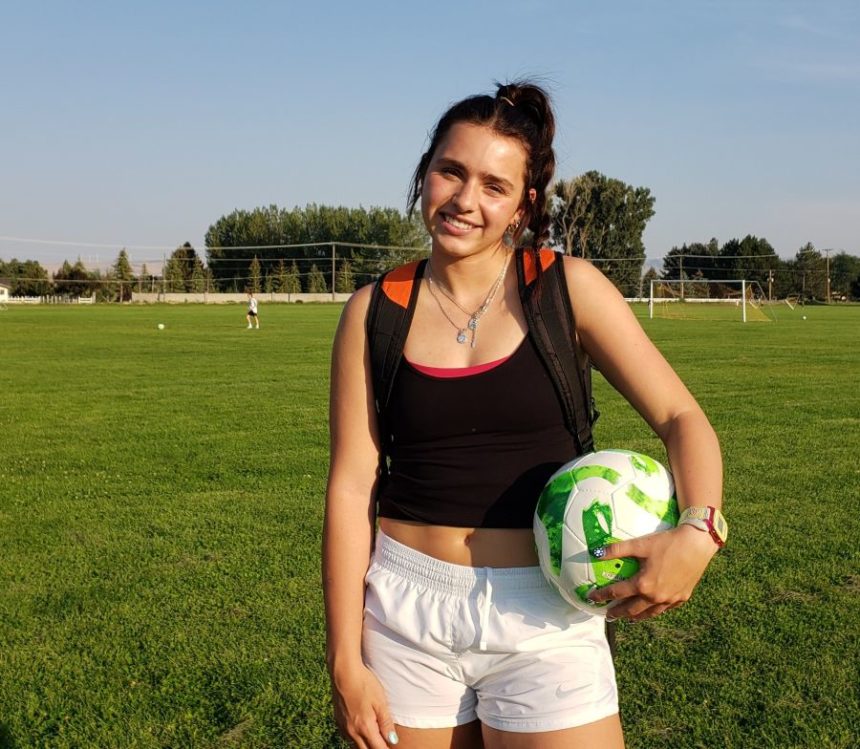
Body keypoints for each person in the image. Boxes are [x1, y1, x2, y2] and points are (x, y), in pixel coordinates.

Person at [323, 81, 724, 749]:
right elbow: (349, 485)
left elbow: (681, 415)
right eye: (450, 171)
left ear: (523, 205)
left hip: (546, 611)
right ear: (426, 172)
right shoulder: (374, 311)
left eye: (493, 185)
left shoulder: (568, 290)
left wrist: (700, 529)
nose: (465, 199)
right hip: (404, 614)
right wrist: (344, 658)